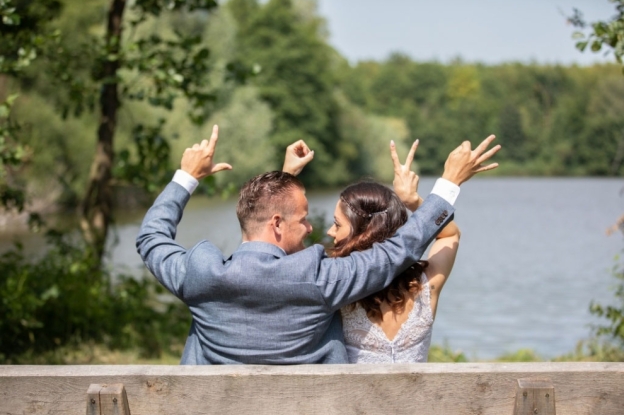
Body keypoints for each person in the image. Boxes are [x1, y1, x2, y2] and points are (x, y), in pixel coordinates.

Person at [136, 125, 500, 364]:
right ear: (277, 223)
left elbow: (151, 238)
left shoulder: (199, 275)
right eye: (304, 218)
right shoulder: (319, 279)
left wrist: (186, 178)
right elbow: (397, 250)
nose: (312, 228)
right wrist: (448, 183)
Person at [328, 140, 460, 363]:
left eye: (337, 224)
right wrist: (414, 201)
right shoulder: (426, 287)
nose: (331, 231)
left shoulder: (336, 287)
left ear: (363, 233)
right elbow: (450, 235)